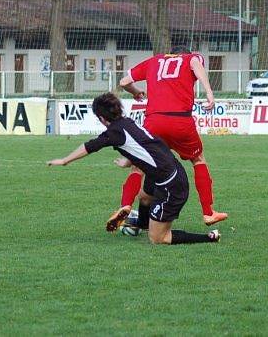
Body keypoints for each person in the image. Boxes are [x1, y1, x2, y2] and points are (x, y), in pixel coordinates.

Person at [47, 93, 221, 245]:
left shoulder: (113, 132)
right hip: (169, 171)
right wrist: (128, 161)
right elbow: (145, 146)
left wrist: (64, 160)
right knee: (144, 196)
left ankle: (209, 237)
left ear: (101, 118)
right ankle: (142, 224)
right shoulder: (127, 122)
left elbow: (90, 146)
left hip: (172, 185)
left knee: (158, 238)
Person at [116, 46, 228, 226]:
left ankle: (126, 205)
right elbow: (195, 63)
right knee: (198, 160)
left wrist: (136, 92)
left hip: (153, 121)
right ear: (185, 54)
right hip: (180, 120)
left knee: (138, 166)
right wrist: (209, 92)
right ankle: (208, 212)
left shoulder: (154, 61)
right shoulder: (190, 58)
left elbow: (123, 81)